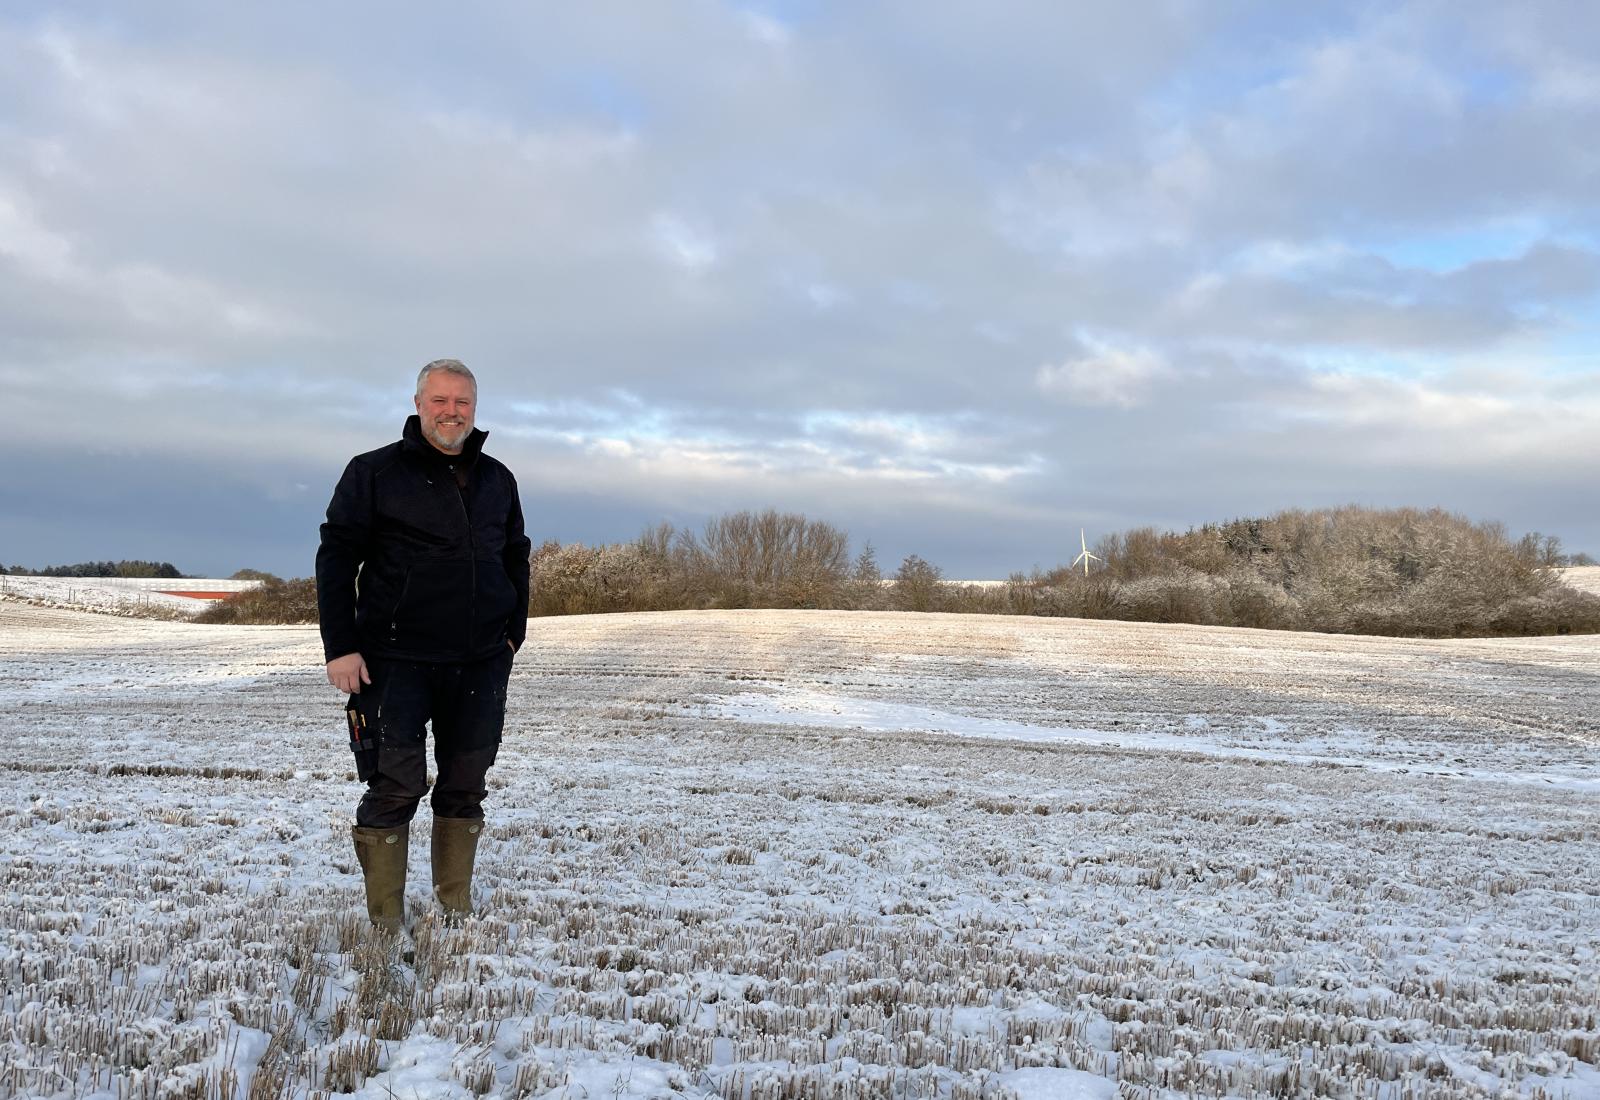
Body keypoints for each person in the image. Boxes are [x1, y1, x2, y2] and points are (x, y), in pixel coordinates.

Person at [315, 359, 531, 932]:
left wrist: (515, 630)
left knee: (466, 782)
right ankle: (386, 919)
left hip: (481, 660)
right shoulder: (374, 473)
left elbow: (516, 553)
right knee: (395, 783)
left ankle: (452, 905)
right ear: (418, 404)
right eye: (440, 401)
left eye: (462, 402)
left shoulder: (498, 479)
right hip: (394, 659)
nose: (451, 412)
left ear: (474, 410)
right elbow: (337, 558)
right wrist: (340, 646)